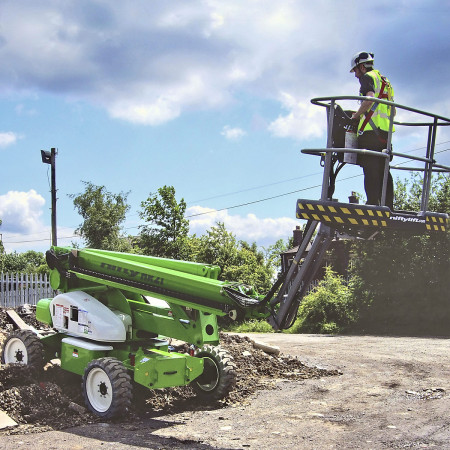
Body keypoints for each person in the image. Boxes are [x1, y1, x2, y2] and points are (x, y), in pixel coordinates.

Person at [350, 51, 395, 209]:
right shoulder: (385, 81)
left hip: (370, 134)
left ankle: (372, 205)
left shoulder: (367, 78)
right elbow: (393, 110)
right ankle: (388, 206)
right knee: (384, 171)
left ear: (362, 67)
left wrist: (356, 116)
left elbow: (368, 99)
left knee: (370, 169)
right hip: (385, 135)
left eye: (355, 70)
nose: (355, 75)